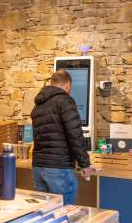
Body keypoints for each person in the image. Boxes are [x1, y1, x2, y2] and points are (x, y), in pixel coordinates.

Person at [30, 69, 92, 205]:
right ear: (68, 85)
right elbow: (75, 135)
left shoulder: (38, 105)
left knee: (45, 212)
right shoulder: (65, 101)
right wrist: (85, 164)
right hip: (59, 168)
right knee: (64, 211)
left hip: (38, 167)